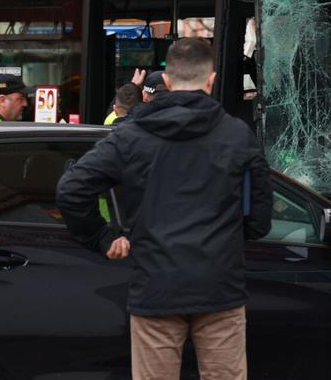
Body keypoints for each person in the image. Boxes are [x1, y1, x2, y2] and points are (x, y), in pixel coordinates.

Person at [57, 38, 272, 380]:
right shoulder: (237, 136)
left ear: (167, 83)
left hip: (155, 286)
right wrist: (228, 239)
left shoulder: (130, 136)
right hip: (220, 287)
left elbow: (72, 188)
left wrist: (102, 236)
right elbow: (260, 218)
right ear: (211, 80)